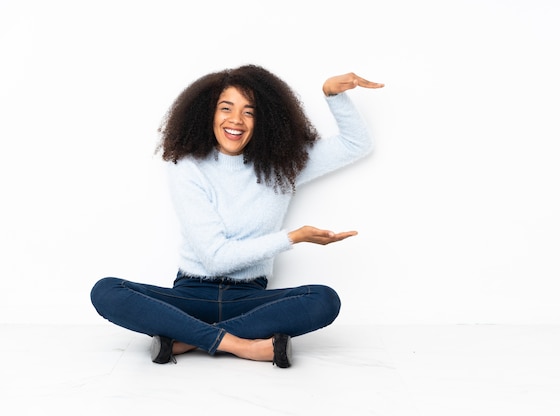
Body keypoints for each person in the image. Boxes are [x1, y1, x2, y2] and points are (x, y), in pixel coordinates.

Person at [90, 64, 384, 368]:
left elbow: (355, 145)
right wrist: (292, 238)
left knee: (324, 299)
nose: (236, 120)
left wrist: (332, 95)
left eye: (249, 112)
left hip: (249, 301)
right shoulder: (187, 167)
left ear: (264, 119)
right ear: (208, 114)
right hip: (190, 297)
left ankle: (187, 340)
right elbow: (216, 258)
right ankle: (243, 346)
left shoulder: (282, 164)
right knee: (107, 291)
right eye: (226, 108)